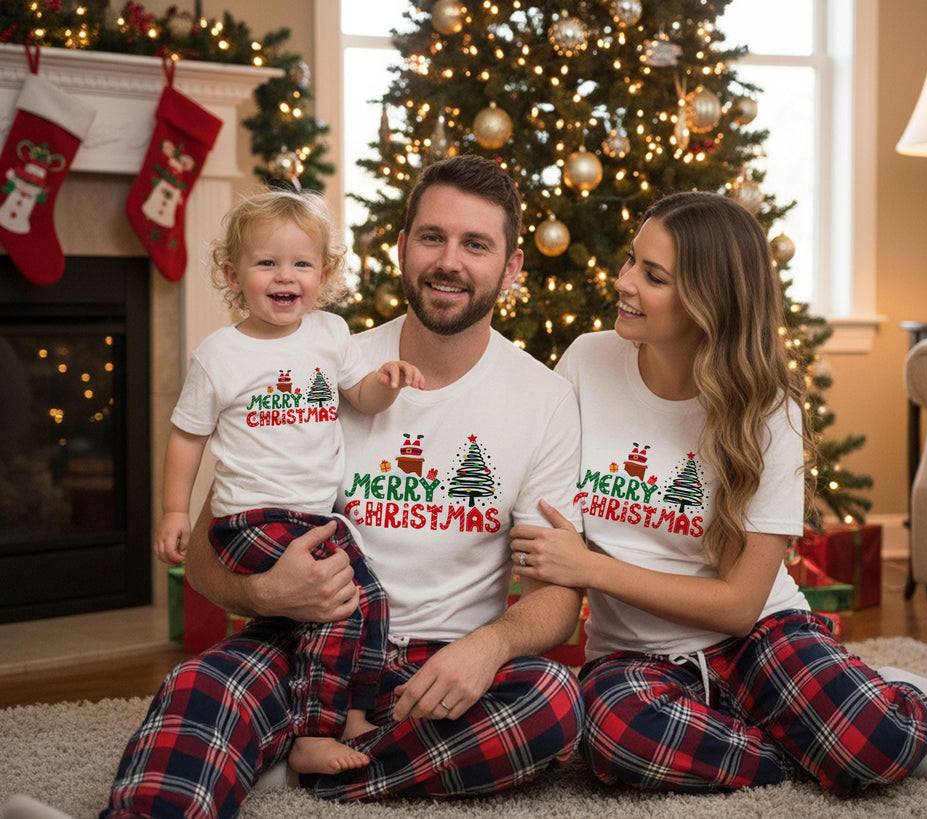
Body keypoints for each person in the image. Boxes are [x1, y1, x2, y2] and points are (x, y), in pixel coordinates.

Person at [103, 155, 585, 817]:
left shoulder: (545, 398)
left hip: (440, 661)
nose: (449, 260)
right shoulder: (316, 361)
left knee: (552, 701)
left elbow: (557, 597)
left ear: (511, 266)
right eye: (432, 237)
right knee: (200, 684)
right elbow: (211, 548)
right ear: (400, 246)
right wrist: (264, 591)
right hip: (302, 642)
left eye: (476, 244)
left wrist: (489, 645)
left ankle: (286, 769)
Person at [508, 191, 927, 795]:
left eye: (652, 276)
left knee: (879, 744)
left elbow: (737, 606)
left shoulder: (767, 411)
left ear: (709, 302)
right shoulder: (585, 361)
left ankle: (898, 701)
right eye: (631, 261)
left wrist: (592, 568)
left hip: (759, 634)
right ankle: (808, 743)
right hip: (632, 658)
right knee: (614, 738)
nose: (623, 282)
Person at [152, 189, 424, 775]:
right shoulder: (219, 355)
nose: (285, 276)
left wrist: (390, 380)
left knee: (369, 598)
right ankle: (312, 730)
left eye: (301, 264)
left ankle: (353, 708)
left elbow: (362, 396)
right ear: (233, 273)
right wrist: (176, 512)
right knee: (336, 605)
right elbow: (186, 437)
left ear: (323, 276)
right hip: (249, 517)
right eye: (266, 262)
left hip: (313, 517)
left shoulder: (328, 334)